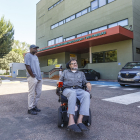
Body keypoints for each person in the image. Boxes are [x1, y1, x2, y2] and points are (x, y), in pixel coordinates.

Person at [57, 59, 92, 133]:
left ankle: (80, 121)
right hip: (68, 89)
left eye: (75, 63)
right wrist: (58, 83)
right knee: (72, 93)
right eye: (72, 63)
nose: (75, 64)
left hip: (79, 89)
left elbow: (85, 81)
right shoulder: (65, 72)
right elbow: (60, 80)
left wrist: (88, 83)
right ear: (69, 66)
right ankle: (71, 122)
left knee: (86, 94)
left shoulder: (81, 73)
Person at [24, 45, 42, 115]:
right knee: (31, 93)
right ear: (30, 49)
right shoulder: (28, 55)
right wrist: (32, 76)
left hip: (39, 77)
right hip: (32, 77)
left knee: (38, 93)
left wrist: (39, 76)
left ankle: (34, 106)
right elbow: (27, 66)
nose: (36, 49)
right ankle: (30, 108)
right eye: (34, 48)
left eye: (36, 48)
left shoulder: (36, 56)